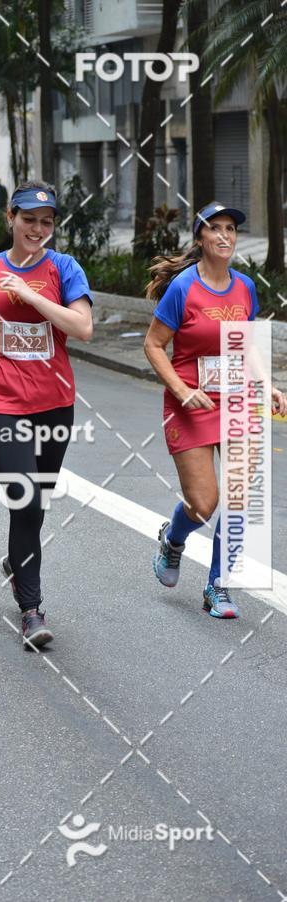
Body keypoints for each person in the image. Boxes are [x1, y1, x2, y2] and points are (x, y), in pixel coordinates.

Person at [0, 180, 93, 648]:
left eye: (46, 222)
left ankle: (17, 560)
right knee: (26, 497)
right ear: (11, 218)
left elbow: (83, 327)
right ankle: (31, 610)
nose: (37, 229)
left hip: (55, 404)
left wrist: (31, 297)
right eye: (29, 220)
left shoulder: (64, 268)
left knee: (35, 503)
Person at [144, 201, 287, 619]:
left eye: (231, 229)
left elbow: (248, 347)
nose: (225, 235)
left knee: (241, 498)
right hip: (191, 404)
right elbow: (153, 345)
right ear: (201, 238)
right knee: (204, 503)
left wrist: (268, 386)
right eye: (215, 229)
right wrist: (181, 390)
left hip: (237, 401)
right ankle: (174, 538)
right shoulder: (183, 288)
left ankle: (218, 587)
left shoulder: (244, 287)